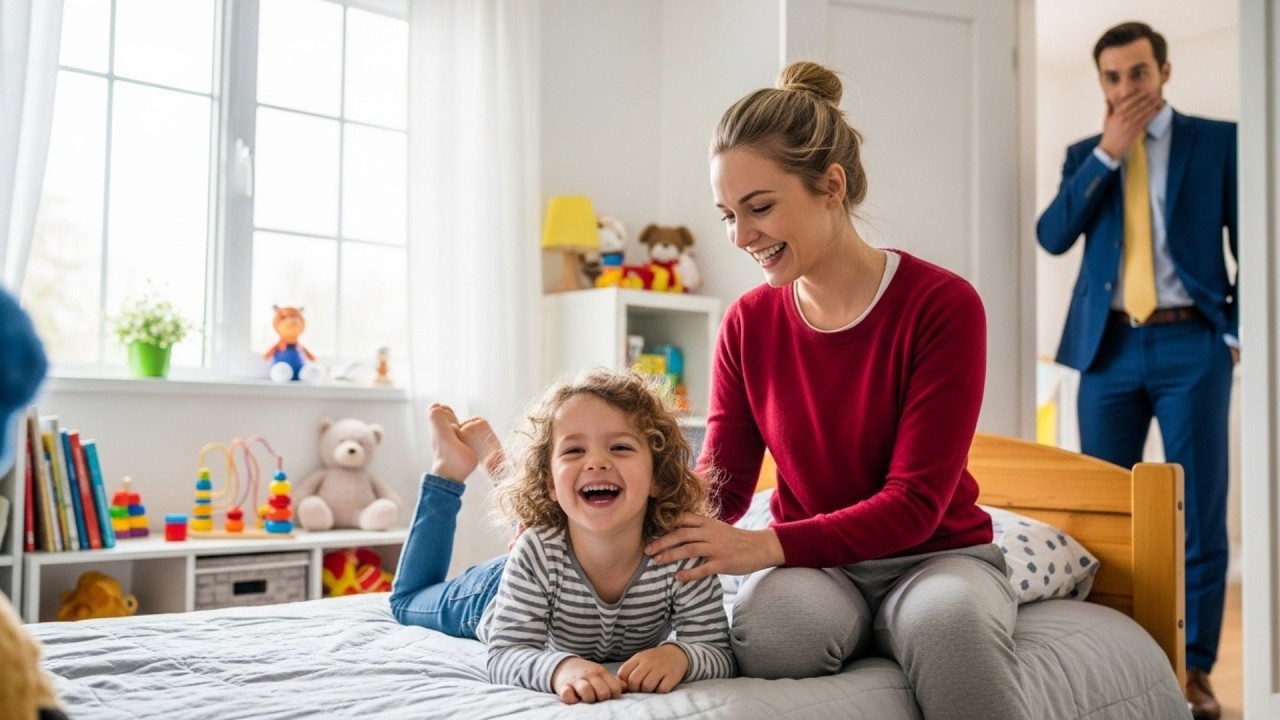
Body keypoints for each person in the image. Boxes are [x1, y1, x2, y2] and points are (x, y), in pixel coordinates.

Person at [643, 61, 1029, 719]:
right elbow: (726, 486)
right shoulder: (747, 325)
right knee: (769, 634)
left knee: (944, 624)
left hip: (934, 557)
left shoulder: (942, 306)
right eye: (728, 215)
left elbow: (914, 504)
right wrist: (634, 528)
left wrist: (765, 547)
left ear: (831, 185)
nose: (741, 237)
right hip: (822, 570)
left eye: (759, 208)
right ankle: (876, 633)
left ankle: (908, 626)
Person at [1035, 22, 1237, 720]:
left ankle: (1198, 670)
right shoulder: (1084, 154)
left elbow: (1253, 239)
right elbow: (1052, 235)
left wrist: (1233, 333)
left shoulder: (1220, 141)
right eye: (1113, 78)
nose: (1127, 89)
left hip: (1192, 346)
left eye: (1138, 74)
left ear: (1165, 71)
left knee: (1198, 513)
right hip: (1108, 351)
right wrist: (1106, 155)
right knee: (1106, 513)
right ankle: (1113, 662)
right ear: (1101, 84)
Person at [388, 369, 735, 704]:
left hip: (554, 556)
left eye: (620, 448)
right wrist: (559, 669)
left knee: (562, 519)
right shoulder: (535, 551)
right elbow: (506, 653)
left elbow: (718, 652)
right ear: (550, 483)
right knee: (405, 601)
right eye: (573, 451)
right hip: (498, 591)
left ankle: (498, 464)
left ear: (658, 476)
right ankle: (449, 468)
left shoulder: (682, 553)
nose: (596, 462)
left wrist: (680, 656)